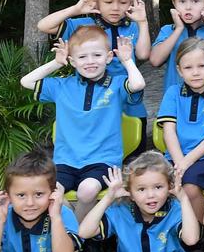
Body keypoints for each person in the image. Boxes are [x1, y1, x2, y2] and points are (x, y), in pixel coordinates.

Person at [20, 26, 145, 220]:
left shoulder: (116, 84)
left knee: (86, 191)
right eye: (83, 57)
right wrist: (55, 63)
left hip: (103, 161)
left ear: (109, 57)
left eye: (97, 55)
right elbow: (26, 82)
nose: (90, 62)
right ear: (72, 61)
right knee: (50, 193)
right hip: (65, 161)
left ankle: (81, 235)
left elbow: (137, 84)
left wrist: (127, 61)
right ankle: (71, 230)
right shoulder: (62, 86)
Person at [37, 0, 151, 125]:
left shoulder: (133, 27)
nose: (116, 8)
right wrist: (76, 10)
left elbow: (143, 54)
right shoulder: (83, 25)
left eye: (122, 2)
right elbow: (43, 25)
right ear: (96, 1)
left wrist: (143, 22)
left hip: (129, 100)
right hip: (92, 100)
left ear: (130, 2)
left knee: (135, 143)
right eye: (108, 2)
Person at [156, 37, 204, 222]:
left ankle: (201, 233)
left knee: (189, 185)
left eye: (202, 66)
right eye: (188, 68)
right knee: (150, 180)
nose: (196, 72)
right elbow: (169, 132)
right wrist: (179, 162)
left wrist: (185, 163)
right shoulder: (172, 93)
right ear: (179, 71)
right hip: (174, 159)